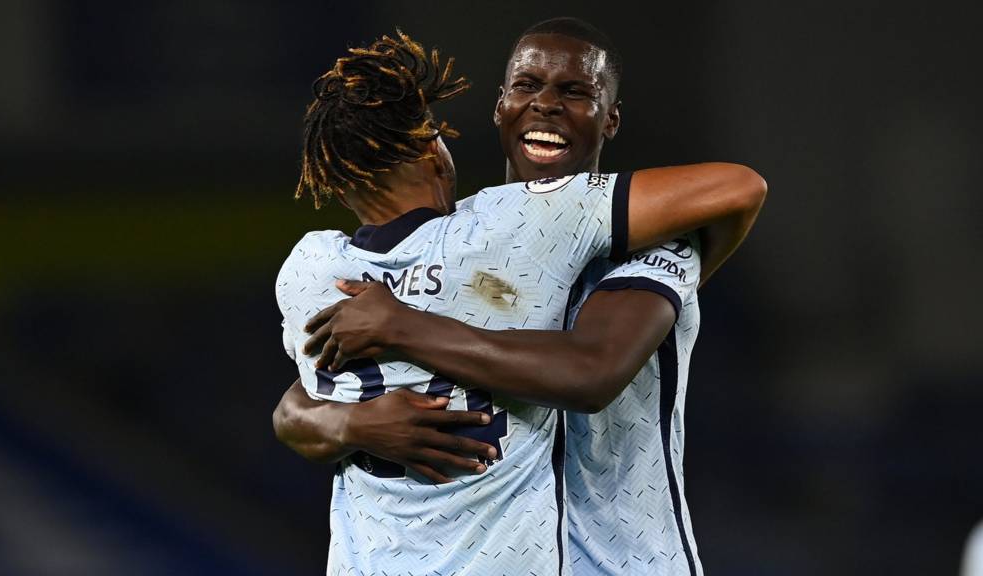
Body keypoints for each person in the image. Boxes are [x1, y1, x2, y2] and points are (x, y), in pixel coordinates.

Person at [276, 26, 764, 576]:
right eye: (527, 85)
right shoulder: (459, 245)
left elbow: (591, 371)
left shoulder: (656, 245)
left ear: (610, 120)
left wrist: (403, 326)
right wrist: (350, 426)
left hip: (626, 562)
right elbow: (298, 402)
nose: (548, 104)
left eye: (576, 92)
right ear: (500, 108)